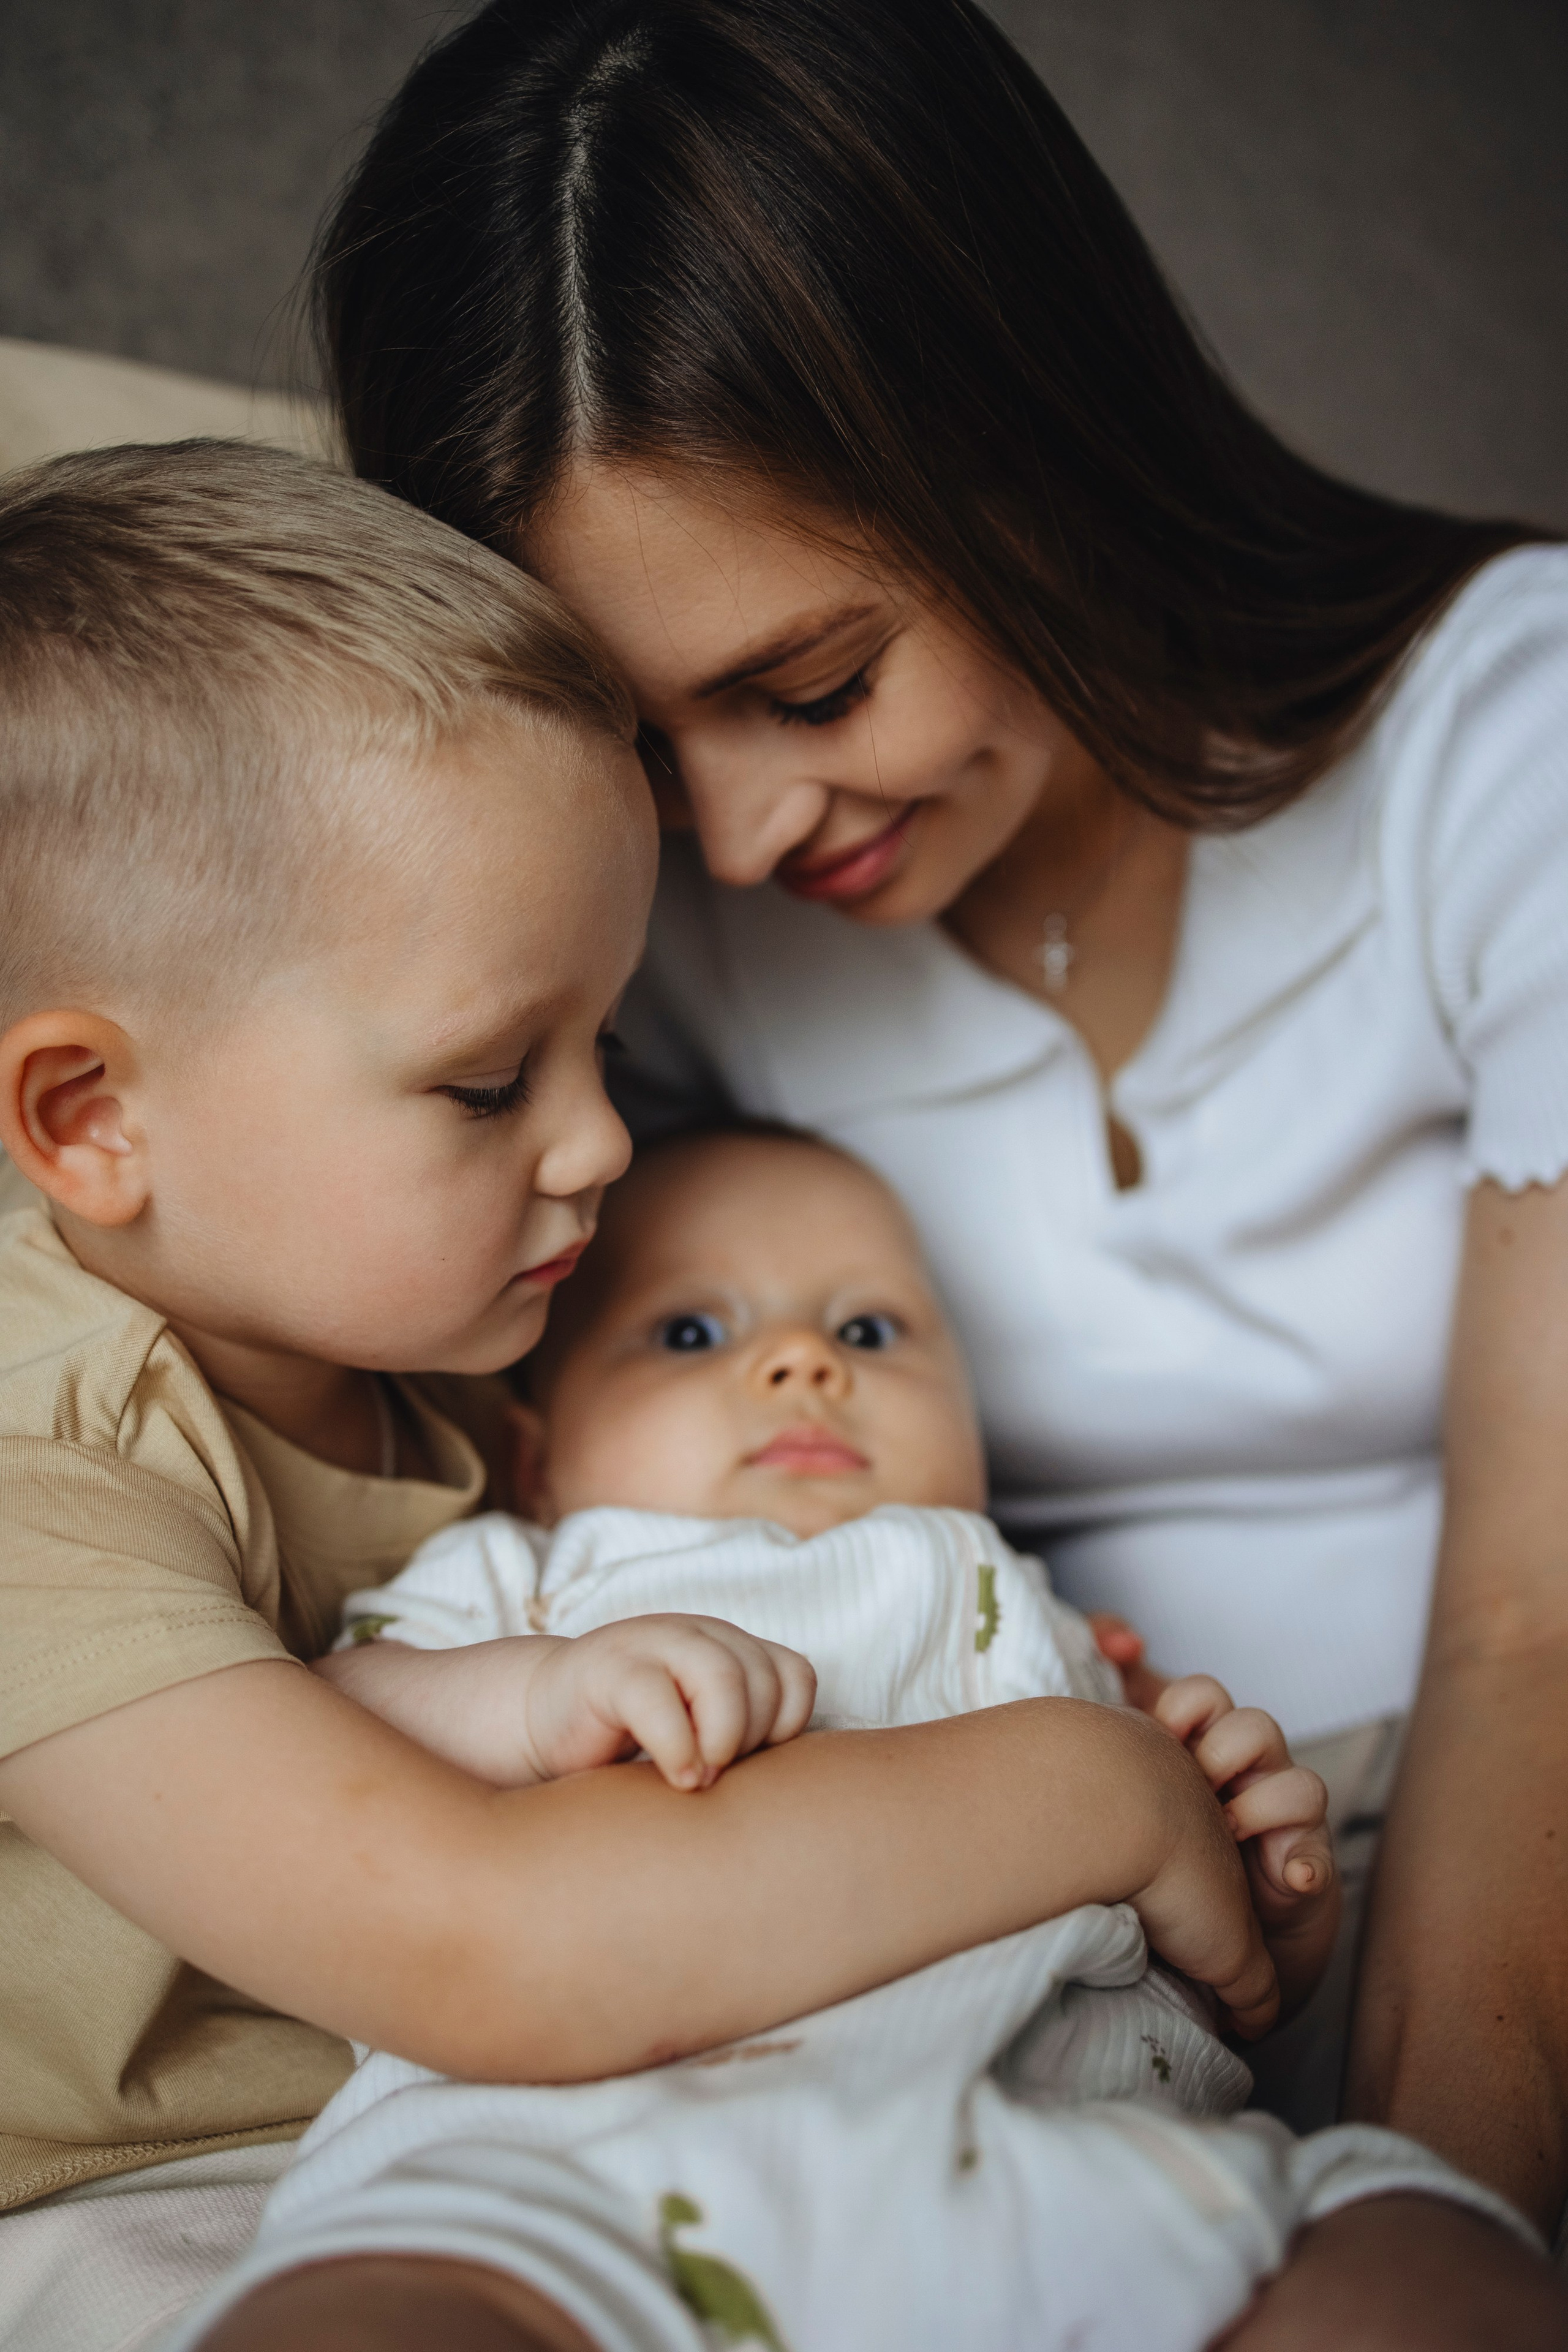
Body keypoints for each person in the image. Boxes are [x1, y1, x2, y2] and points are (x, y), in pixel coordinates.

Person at [311, 0, 1568, 2321]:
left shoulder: (1512, 750)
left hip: (1430, 1849)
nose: (741, 837)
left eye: (811, 686)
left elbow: (1536, 1626)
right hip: (916, 1882)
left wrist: (1425, 2206)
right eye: (642, 740)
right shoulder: (642, 936)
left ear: (1030, 436)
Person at [0, 440, 1314, 2352]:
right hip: (153, 2192)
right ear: (91, 1119)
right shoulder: (38, 1472)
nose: (605, 1145)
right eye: (488, 1082)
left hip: (569, 2112)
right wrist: (1092, 1793)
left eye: (603, 1047)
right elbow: (492, 1949)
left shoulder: (443, 1344)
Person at [164, 1125, 1531, 2352]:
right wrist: (532, 1694)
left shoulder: (1037, 1615)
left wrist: (1269, 1908)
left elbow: (1203, 1953)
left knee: (1421, 2276)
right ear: (540, 1462)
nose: (802, 1362)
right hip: (558, 2182)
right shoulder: (532, 1583)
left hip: (1064, 2161)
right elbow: (331, 1732)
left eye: (869, 1332)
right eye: (690, 1332)